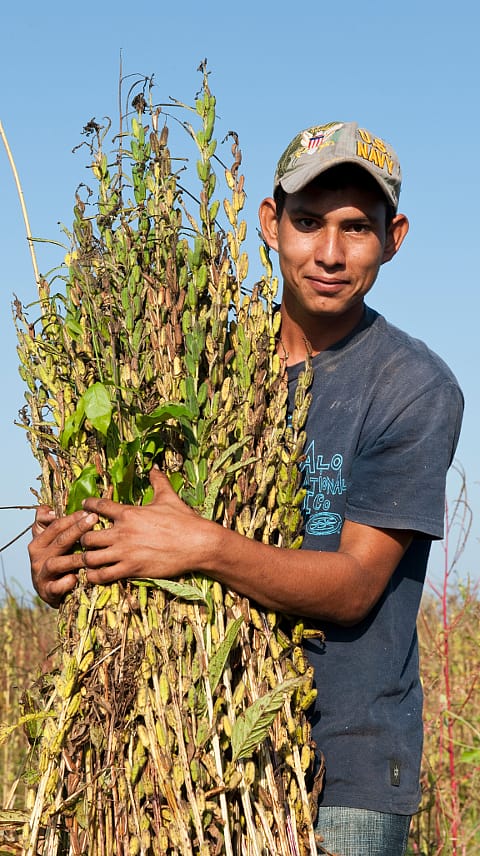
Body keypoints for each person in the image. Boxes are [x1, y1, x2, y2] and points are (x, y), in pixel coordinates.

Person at [29, 120, 464, 856]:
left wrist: (203, 546)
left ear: (394, 238)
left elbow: (357, 586)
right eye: (308, 222)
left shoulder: (412, 386)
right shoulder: (198, 366)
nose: (330, 253)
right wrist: (66, 567)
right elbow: (136, 542)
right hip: (186, 763)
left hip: (342, 776)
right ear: (270, 223)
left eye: (357, 228)